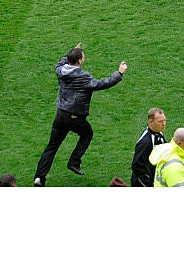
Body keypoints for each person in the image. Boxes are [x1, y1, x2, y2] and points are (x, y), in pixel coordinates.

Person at [34, 46, 128, 185]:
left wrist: (70, 53)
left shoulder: (60, 71)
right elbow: (102, 84)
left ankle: (39, 177)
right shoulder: (83, 76)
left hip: (61, 115)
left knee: (52, 146)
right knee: (87, 134)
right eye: (82, 57)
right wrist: (119, 73)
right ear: (79, 61)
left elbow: (59, 64)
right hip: (75, 118)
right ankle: (74, 161)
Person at [131, 108, 168, 186]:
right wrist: (149, 182)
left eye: (165, 120)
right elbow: (136, 165)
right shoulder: (145, 142)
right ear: (150, 121)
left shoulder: (159, 133)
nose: (164, 124)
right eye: (160, 121)